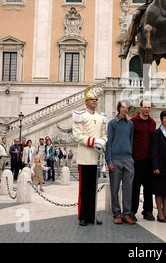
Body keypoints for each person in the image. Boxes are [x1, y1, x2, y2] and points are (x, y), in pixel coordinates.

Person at [73, 85, 107, 226]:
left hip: (96, 157)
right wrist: (94, 141)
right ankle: (82, 216)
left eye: (96, 99)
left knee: (93, 189)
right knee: (84, 189)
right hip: (85, 156)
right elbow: (77, 136)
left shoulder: (101, 117)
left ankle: (91, 215)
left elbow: (104, 134)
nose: (94, 101)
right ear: (86, 101)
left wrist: (103, 141)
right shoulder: (80, 116)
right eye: (92, 99)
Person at [105, 100, 135, 225]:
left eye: (127, 107)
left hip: (128, 159)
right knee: (115, 188)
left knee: (128, 189)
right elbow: (109, 142)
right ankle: (116, 214)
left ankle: (126, 214)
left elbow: (131, 140)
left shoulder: (130, 124)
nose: (125, 109)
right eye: (123, 107)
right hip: (115, 159)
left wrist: (131, 156)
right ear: (119, 108)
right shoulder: (112, 123)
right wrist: (109, 160)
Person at [130, 99, 156, 222]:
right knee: (135, 187)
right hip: (136, 159)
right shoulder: (133, 122)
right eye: (145, 107)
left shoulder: (153, 123)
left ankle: (148, 211)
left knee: (149, 188)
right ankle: (132, 211)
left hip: (149, 160)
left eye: (149, 107)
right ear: (140, 107)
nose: (147, 109)